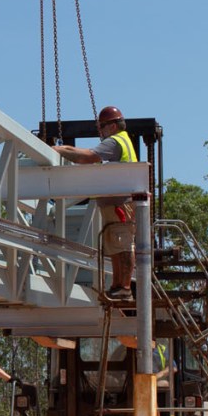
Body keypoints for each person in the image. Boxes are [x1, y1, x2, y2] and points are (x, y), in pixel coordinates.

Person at [52, 105, 143, 300]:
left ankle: (124, 286)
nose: (100, 131)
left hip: (120, 204)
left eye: (102, 127)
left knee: (122, 243)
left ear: (112, 125)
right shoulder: (122, 141)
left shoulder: (115, 142)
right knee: (116, 245)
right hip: (118, 203)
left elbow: (88, 157)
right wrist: (63, 148)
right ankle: (119, 286)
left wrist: (60, 150)